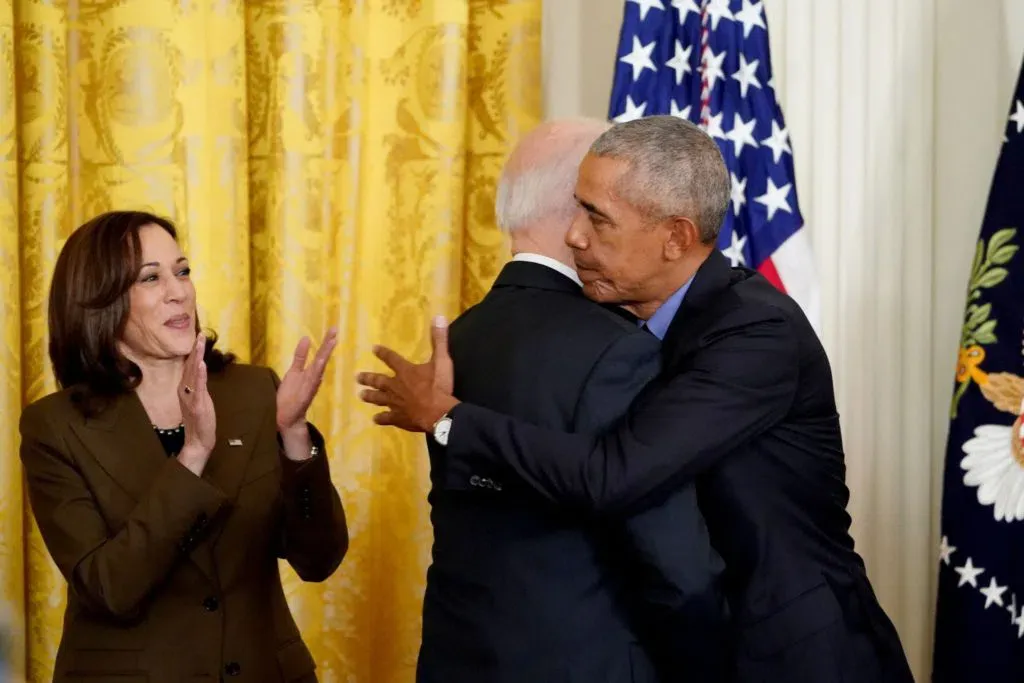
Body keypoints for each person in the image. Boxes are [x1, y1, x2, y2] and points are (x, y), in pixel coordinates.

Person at [357, 115, 914, 683]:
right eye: (576, 208)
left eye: (596, 218)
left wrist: (448, 419)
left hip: (800, 656)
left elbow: (612, 474)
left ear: (674, 237)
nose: (574, 237)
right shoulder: (621, 327)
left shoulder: (756, 331)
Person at [415, 118, 729, 683]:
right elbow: (674, 563)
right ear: (581, 208)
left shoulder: (460, 337)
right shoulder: (617, 349)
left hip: (458, 658)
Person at [20, 211, 348, 683]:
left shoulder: (254, 392)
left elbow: (318, 560)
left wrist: (294, 433)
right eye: (151, 278)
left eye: (183, 270)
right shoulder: (55, 427)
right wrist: (193, 454)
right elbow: (111, 588)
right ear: (99, 301)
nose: (179, 291)